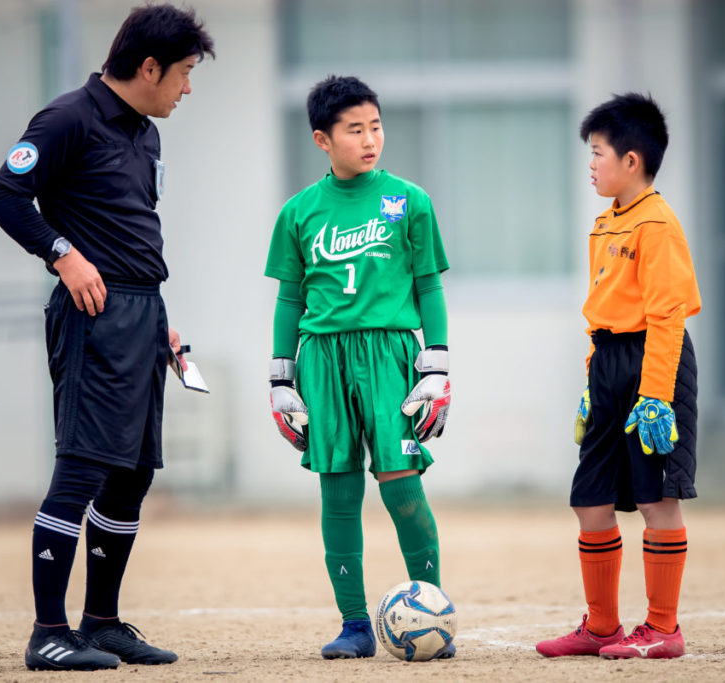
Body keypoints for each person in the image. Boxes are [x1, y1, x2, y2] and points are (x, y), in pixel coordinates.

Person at [0, 4, 213, 671]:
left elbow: (136, 232)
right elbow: (2, 196)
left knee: (132, 474)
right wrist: (61, 252)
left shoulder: (147, 133)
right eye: (184, 74)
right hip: (92, 314)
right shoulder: (67, 121)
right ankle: (48, 632)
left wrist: (160, 313)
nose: (187, 89)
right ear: (148, 67)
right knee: (82, 465)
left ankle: (102, 622)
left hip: (142, 314)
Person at [264, 75, 454, 660]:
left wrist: (437, 365)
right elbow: (291, 299)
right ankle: (354, 625)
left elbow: (427, 286)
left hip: (393, 354)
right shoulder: (299, 213)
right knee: (338, 493)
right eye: (355, 129)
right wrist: (280, 378)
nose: (370, 139)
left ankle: (434, 613)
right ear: (323, 139)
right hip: (322, 359)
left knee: (402, 489)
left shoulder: (409, 200)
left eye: (375, 126)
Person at [536, 92, 700, 660]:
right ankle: (602, 627)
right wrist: (591, 386)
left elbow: (668, 317)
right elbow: (601, 313)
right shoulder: (606, 224)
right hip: (608, 365)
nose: (591, 163)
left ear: (632, 160)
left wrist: (655, 395)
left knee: (657, 499)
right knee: (590, 498)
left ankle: (662, 629)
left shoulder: (657, 223)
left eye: (598, 152)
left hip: (654, 362)